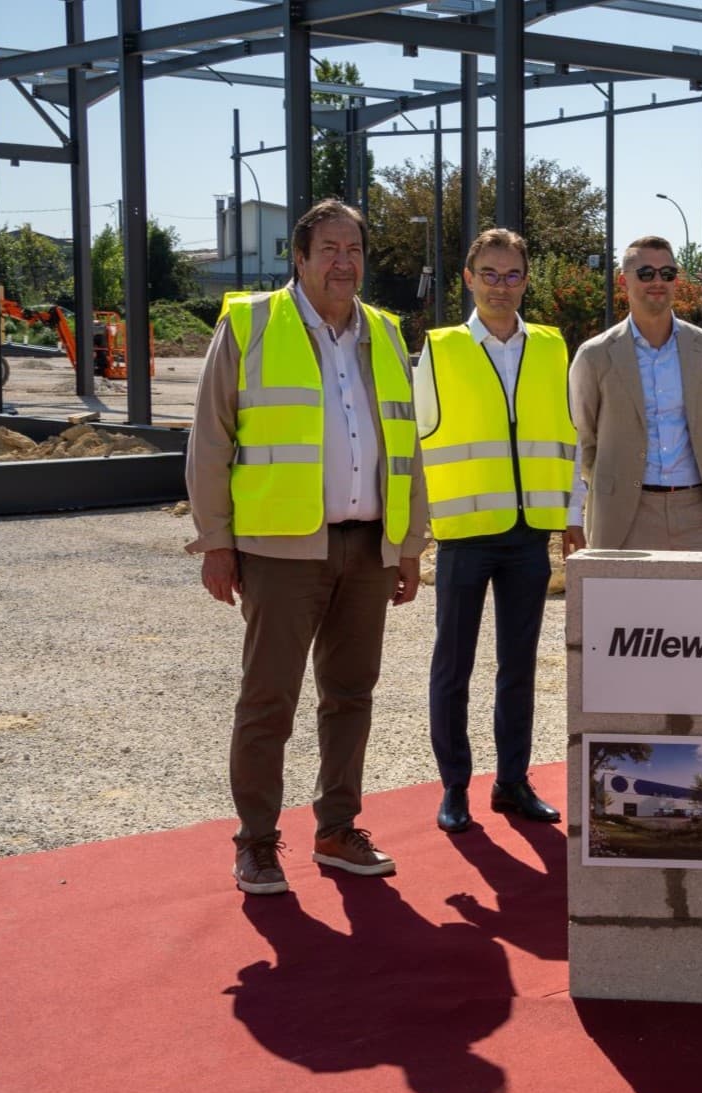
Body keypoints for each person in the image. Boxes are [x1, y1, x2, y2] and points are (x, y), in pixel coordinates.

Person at [187, 199, 427, 896]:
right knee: (269, 700)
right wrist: (215, 541)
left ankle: (336, 829)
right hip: (282, 549)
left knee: (351, 694)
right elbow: (210, 437)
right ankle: (256, 842)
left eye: (353, 248)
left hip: (366, 547)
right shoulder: (252, 323)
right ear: (299, 256)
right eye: (329, 248)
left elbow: (406, 447)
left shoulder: (383, 332)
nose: (343, 262)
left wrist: (407, 544)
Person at [414, 228, 578, 834]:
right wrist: (414, 531)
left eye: (512, 275)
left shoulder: (553, 348)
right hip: (463, 534)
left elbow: (572, 440)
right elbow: (415, 442)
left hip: (529, 534)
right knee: (452, 666)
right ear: (468, 277)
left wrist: (571, 516)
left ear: (526, 280)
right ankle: (454, 786)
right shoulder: (439, 349)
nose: (501, 286)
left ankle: (512, 782)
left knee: (519, 666)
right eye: (490, 274)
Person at [569, 235, 702, 551]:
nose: (657, 281)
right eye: (646, 273)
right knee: (621, 602)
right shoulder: (595, 355)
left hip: (700, 512)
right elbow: (584, 438)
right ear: (623, 281)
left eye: (667, 273)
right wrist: (617, 479)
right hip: (623, 515)